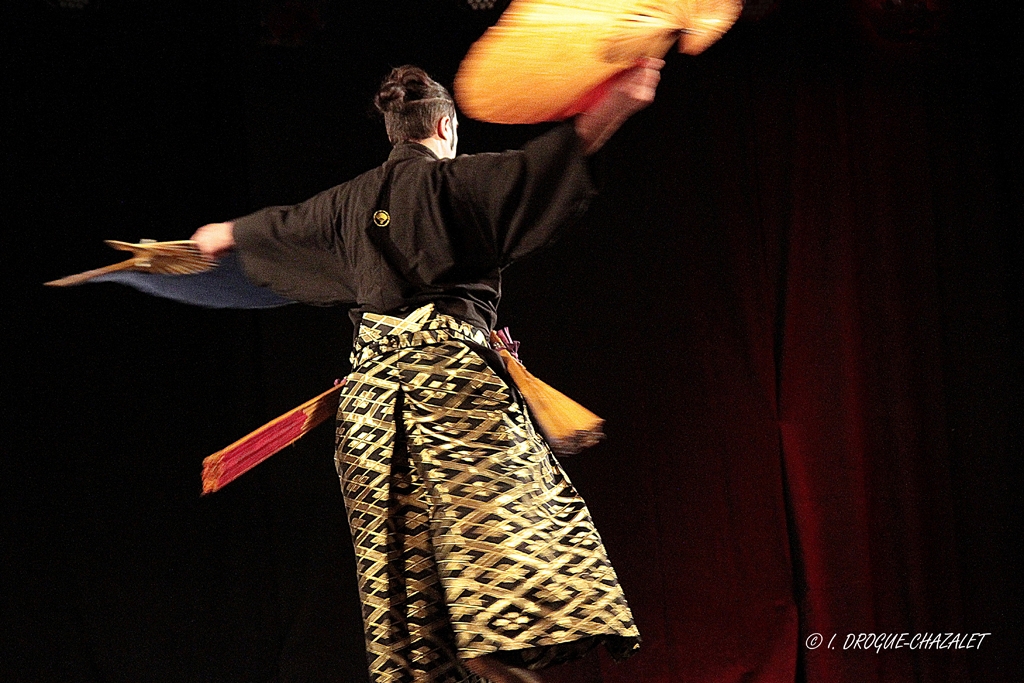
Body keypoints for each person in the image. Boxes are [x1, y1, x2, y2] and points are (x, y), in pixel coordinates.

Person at [192, 60, 662, 683]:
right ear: (443, 124)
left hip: (370, 416)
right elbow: (547, 163)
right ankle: (491, 645)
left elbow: (264, 231)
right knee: (506, 531)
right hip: (451, 392)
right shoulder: (457, 183)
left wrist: (220, 233)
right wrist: (620, 102)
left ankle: (449, 659)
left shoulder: (341, 205)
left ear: (395, 133)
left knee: (405, 579)